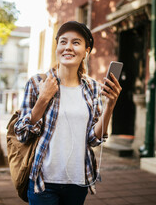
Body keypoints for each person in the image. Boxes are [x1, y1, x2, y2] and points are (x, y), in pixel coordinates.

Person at [14, 21, 122, 205]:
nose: (68, 47)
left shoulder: (93, 88)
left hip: (78, 181)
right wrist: (43, 99)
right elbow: (22, 134)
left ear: (86, 51)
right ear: (57, 48)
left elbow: (93, 139)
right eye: (63, 42)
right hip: (43, 182)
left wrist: (110, 105)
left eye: (76, 42)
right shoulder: (36, 83)